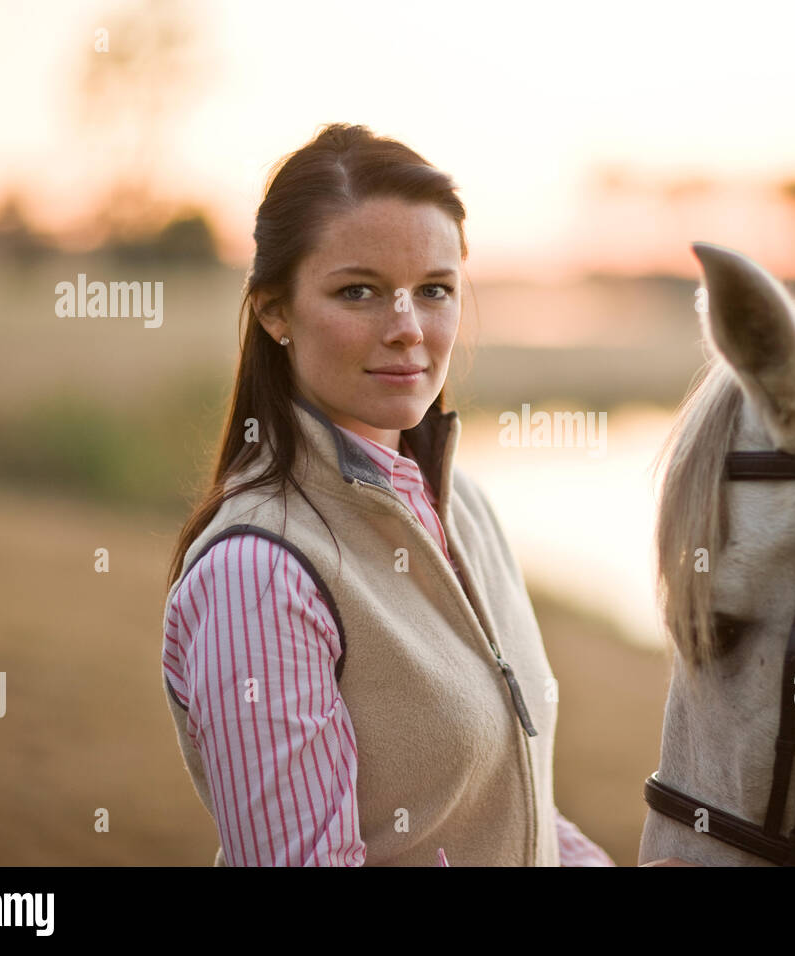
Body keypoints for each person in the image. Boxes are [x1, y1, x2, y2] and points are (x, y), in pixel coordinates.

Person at [160, 123, 613, 866]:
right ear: (275, 310)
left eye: (433, 290)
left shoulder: (465, 506)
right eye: (359, 291)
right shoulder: (260, 574)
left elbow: (501, 806)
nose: (407, 328)